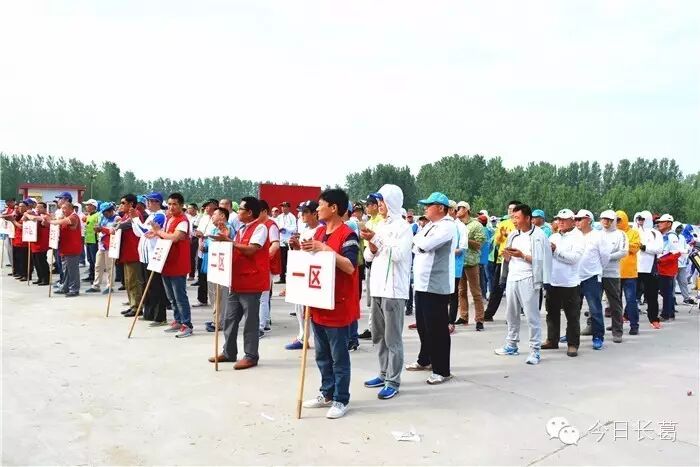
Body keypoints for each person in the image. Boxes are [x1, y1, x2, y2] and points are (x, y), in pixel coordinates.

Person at [300, 189, 359, 419]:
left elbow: (350, 266)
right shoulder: (319, 232)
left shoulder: (348, 234)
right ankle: (327, 392)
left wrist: (325, 249)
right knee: (322, 355)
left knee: (339, 357)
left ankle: (341, 398)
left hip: (338, 303)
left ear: (334, 208)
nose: (317, 209)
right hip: (318, 301)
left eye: (320, 205)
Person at [359, 184, 413, 400]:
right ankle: (383, 373)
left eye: (381, 201)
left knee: (393, 338)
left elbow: (398, 254)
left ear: (391, 202)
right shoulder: (379, 225)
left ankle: (393, 380)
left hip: (394, 289)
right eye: (378, 201)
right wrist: (372, 243)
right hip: (378, 287)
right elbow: (369, 256)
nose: (379, 205)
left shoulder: (404, 227)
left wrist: (376, 240)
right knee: (379, 335)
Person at [210, 197, 270, 369]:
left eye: (241, 209)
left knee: (250, 321)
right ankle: (229, 352)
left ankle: (251, 355)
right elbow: (235, 247)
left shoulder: (260, 228)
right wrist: (226, 239)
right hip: (236, 280)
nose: (238, 212)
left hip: (251, 281)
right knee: (229, 318)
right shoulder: (241, 229)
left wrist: (229, 241)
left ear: (250, 212)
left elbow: (251, 250)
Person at [406, 192, 457, 385]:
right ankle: (425, 359)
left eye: (429, 205)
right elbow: (416, 242)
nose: (425, 208)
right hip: (422, 284)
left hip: (435, 284)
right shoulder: (430, 225)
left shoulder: (447, 226)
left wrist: (419, 244)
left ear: (441, 208)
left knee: (437, 329)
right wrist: (418, 244)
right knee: (423, 325)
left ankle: (442, 370)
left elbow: (425, 245)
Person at [494, 204, 551, 365]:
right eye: (513, 217)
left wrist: (522, 255)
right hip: (513, 277)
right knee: (511, 314)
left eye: (517, 217)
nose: (514, 221)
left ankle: (535, 350)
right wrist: (507, 256)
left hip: (529, 278)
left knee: (532, 316)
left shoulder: (539, 236)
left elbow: (543, 261)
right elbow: (508, 258)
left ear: (527, 218)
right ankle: (511, 344)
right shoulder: (513, 235)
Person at [148, 193, 193, 337]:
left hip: (178, 263)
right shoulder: (169, 218)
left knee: (180, 296)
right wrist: (156, 233)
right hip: (166, 262)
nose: (171, 207)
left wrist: (159, 232)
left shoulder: (183, 221)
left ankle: (187, 324)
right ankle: (178, 320)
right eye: (169, 204)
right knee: (171, 296)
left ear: (181, 205)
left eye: (174, 204)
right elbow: (166, 235)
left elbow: (175, 238)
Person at [542, 209, 585, 356]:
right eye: (558, 219)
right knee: (551, 313)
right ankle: (552, 340)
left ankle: (572, 344)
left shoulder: (578, 237)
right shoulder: (554, 236)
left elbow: (574, 259)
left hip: (570, 283)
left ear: (572, 221)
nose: (560, 222)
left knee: (572, 315)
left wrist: (556, 251)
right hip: (553, 281)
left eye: (564, 219)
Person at [284, 200, 321, 350]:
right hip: (302, 272)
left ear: (315, 213)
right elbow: (302, 251)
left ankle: (308, 337)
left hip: (314, 273)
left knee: (311, 308)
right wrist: (295, 246)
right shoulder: (305, 230)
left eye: (305, 212)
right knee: (299, 306)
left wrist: (300, 247)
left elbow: (316, 254)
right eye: (301, 211)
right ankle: (302, 336)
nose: (302, 215)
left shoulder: (320, 230)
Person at [130, 193, 168, 325]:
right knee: (147, 285)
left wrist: (136, 219)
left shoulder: (160, 216)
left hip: (154, 256)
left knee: (156, 286)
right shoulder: (150, 216)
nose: (148, 203)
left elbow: (145, 232)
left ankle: (159, 316)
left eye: (150, 201)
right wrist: (134, 221)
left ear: (157, 202)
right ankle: (149, 313)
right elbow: (138, 233)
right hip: (145, 256)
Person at [576, 209, 611, 350]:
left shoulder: (598, 236)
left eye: (580, 219)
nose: (577, 222)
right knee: (573, 309)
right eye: (576, 219)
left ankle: (598, 336)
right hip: (575, 277)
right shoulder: (575, 235)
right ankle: (571, 334)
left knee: (595, 309)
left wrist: (597, 269)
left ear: (589, 220)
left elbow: (605, 257)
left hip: (591, 277)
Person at [484, 201, 520, 321]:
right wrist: (501, 235)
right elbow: (497, 241)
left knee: (513, 289)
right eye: (509, 209)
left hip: (516, 259)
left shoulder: (520, 224)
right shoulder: (503, 223)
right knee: (497, 287)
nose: (510, 211)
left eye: (513, 209)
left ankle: (513, 315)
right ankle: (489, 313)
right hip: (502, 259)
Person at [454, 201, 486, 330]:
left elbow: (479, 244)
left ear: (466, 209)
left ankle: (479, 319)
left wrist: (464, 240)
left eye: (459, 208)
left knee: (476, 292)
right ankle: (463, 316)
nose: (457, 211)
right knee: (461, 291)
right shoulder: (456, 224)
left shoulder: (476, 225)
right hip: (459, 262)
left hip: (471, 262)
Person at [358, 193, 385, 339]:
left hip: (379, 259)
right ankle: (372, 326)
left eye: (368, 205)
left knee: (377, 295)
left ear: (375, 206)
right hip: (369, 258)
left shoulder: (381, 221)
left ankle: (375, 327)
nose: (366, 208)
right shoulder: (368, 222)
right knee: (371, 295)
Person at [203, 207, 234, 332]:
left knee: (221, 295)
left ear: (222, 216)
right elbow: (208, 245)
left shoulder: (229, 228)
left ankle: (219, 322)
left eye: (215, 214)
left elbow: (227, 242)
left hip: (222, 267)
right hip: (213, 265)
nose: (212, 216)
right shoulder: (213, 229)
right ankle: (215, 319)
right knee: (213, 294)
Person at [599, 210, 628, 343]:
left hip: (612, 273)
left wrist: (607, 257)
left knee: (615, 303)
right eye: (604, 219)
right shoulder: (597, 234)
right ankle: (592, 326)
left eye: (609, 219)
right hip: (596, 272)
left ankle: (617, 331)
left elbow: (623, 252)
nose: (606, 222)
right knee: (594, 302)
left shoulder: (620, 234)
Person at [114, 194, 145, 317]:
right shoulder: (126, 215)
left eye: (123, 203)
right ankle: (132, 304)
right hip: (126, 253)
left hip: (133, 253)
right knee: (128, 282)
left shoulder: (135, 214)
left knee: (134, 281)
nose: (121, 205)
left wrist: (116, 225)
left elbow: (123, 225)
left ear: (131, 204)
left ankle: (137, 307)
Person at [636, 210, 663, 328]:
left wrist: (645, 247)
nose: (640, 221)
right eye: (639, 219)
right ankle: (627, 315)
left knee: (651, 295)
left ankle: (654, 318)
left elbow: (659, 249)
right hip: (635, 267)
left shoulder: (655, 233)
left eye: (642, 219)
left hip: (649, 268)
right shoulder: (635, 231)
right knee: (631, 295)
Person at [258, 200, 281, 336]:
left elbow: (275, 245)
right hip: (261, 264)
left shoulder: (271, 225)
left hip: (266, 265)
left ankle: (260, 327)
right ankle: (265, 323)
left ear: (264, 211)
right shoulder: (260, 225)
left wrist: (264, 259)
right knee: (263, 296)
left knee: (263, 296)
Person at [50, 201, 83, 297]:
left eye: (65, 208)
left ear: (71, 209)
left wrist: (51, 221)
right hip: (65, 248)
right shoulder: (64, 218)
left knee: (73, 270)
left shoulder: (74, 217)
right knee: (66, 270)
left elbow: (61, 222)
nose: (63, 210)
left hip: (72, 248)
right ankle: (65, 287)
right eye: (62, 208)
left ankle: (74, 289)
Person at [616, 210, 641, 335]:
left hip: (630, 274)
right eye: (615, 220)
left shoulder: (633, 233)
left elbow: (635, 248)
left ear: (625, 219)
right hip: (615, 273)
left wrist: (623, 244)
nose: (617, 222)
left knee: (631, 301)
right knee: (616, 302)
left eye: (619, 219)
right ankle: (617, 325)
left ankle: (634, 325)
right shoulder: (613, 233)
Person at [87, 202, 119, 294]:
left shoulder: (117, 219)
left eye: (105, 212)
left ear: (110, 211)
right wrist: (97, 229)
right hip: (101, 245)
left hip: (111, 246)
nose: (104, 214)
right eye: (103, 213)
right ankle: (96, 285)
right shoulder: (103, 218)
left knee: (109, 267)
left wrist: (102, 229)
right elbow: (100, 229)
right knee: (98, 265)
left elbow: (114, 231)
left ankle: (110, 286)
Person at [656, 214, 681, 321]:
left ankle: (666, 314)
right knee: (665, 292)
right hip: (662, 268)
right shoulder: (663, 235)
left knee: (666, 292)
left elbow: (676, 253)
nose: (659, 224)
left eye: (662, 222)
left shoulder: (672, 236)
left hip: (667, 269)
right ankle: (670, 312)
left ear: (669, 223)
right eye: (659, 222)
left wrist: (661, 260)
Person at [192, 199, 218, 305]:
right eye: (205, 206)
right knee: (201, 275)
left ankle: (215, 300)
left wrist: (204, 237)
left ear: (215, 206)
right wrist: (199, 237)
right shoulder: (204, 218)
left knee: (212, 276)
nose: (206, 208)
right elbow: (199, 231)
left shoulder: (218, 219)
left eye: (208, 206)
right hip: (202, 249)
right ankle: (202, 299)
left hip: (212, 250)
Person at [23, 202, 51, 285]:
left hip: (42, 243)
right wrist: (26, 214)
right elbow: (24, 219)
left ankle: (45, 279)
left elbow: (34, 218)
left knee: (42, 261)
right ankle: (40, 277)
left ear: (45, 208)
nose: (38, 209)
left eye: (40, 207)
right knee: (36, 262)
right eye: (37, 207)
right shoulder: (35, 215)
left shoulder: (46, 216)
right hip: (34, 242)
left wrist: (27, 214)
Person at [674, 222, 696, 305]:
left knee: (684, 282)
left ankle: (686, 298)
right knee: (672, 283)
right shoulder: (671, 237)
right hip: (674, 263)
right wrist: (685, 250)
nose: (680, 229)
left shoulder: (682, 237)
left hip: (682, 263)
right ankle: (672, 299)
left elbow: (685, 247)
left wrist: (689, 246)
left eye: (681, 228)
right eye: (678, 228)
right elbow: (676, 249)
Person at [276, 201, 297, 284]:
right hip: (281, 240)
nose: (283, 208)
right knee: (282, 261)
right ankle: (282, 277)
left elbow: (294, 228)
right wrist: (280, 229)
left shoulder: (292, 217)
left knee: (289, 260)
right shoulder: (279, 217)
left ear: (288, 207)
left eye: (284, 207)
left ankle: (290, 277)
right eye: (282, 207)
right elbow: (277, 225)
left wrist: (286, 229)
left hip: (289, 241)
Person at [82, 199, 100, 283]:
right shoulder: (89, 215)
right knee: (89, 259)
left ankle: (96, 277)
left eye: (88, 205)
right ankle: (91, 275)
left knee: (95, 260)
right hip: (88, 239)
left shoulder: (97, 215)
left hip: (94, 240)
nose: (86, 207)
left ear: (93, 206)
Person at [477, 214, 492, 299]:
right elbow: (491, 245)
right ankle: (486, 295)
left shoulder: (480, 231)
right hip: (487, 257)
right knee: (487, 277)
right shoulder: (489, 230)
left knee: (481, 278)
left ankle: (483, 296)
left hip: (480, 257)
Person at [186, 203, 201, 280]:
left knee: (192, 256)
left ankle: (191, 275)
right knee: (186, 256)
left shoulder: (199, 217)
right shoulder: (186, 217)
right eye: (188, 208)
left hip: (195, 238)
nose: (188, 210)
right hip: (187, 237)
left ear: (195, 209)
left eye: (190, 208)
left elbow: (197, 227)